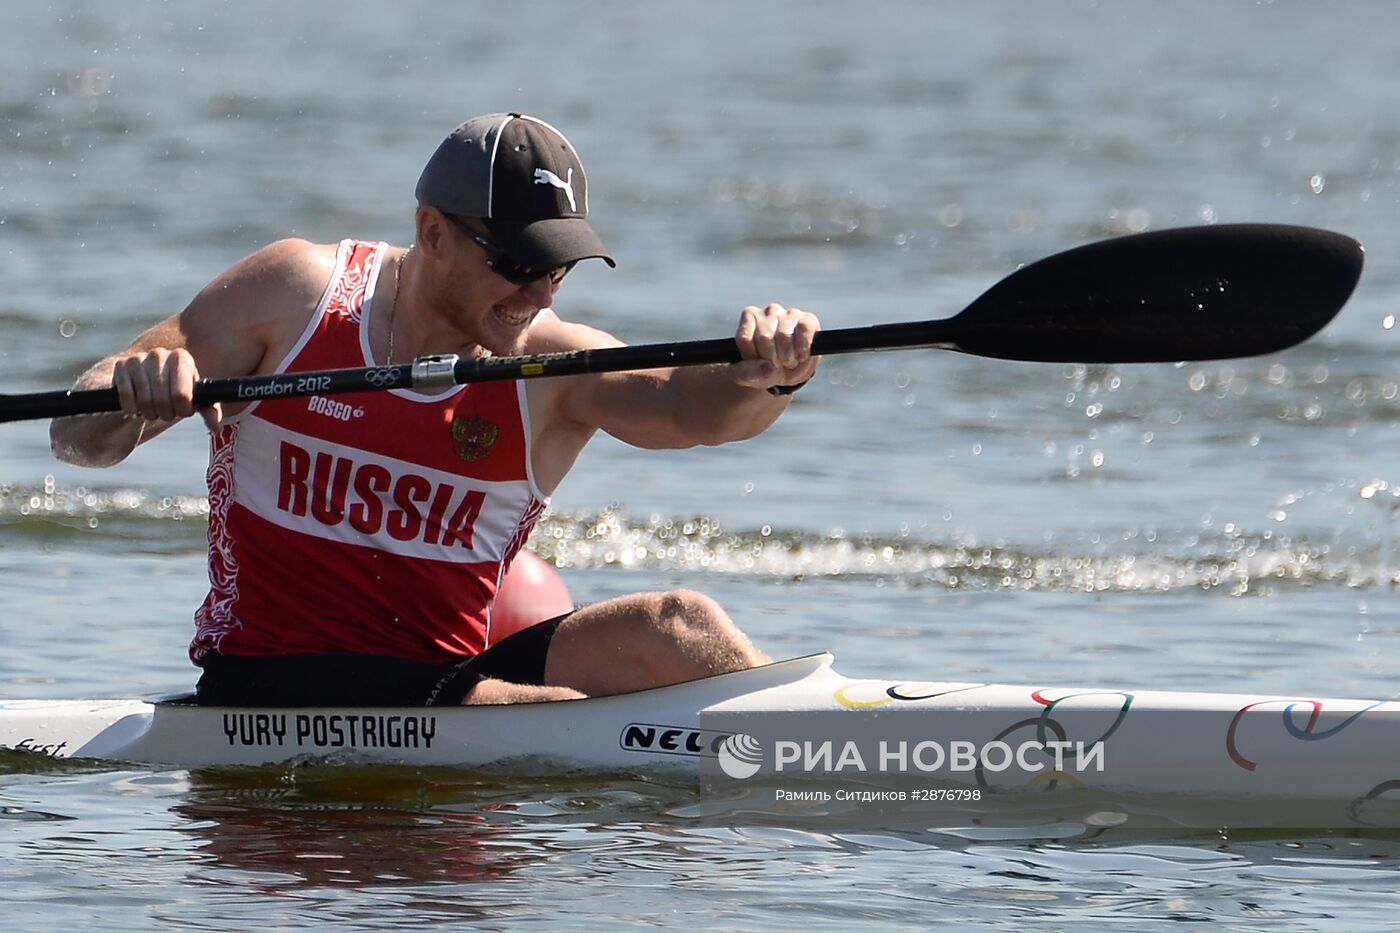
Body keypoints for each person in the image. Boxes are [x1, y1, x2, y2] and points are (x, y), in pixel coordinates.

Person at [49, 112, 820, 707]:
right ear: (432, 233)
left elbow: (692, 406)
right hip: (269, 677)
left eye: (558, 266)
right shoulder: (294, 296)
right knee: (552, 713)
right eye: (517, 262)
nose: (538, 291)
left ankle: (828, 749)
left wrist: (769, 373)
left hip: (445, 685)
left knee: (678, 625)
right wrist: (134, 389)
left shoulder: (547, 364)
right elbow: (76, 435)